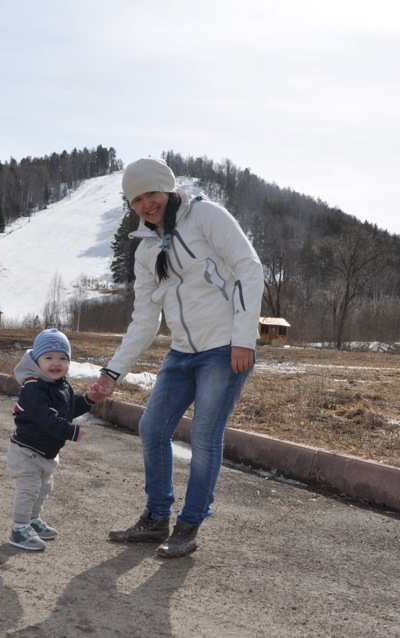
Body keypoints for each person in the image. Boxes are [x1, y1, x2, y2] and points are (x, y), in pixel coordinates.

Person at [93, 157, 263, 558]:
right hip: (182, 352)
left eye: (151, 194)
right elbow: (144, 320)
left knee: (204, 435)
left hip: (224, 348)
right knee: (153, 428)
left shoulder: (205, 216)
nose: (146, 205)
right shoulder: (145, 249)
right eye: (136, 200)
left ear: (167, 189)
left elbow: (248, 268)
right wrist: (112, 373)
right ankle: (156, 517)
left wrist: (243, 338)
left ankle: (190, 523)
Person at [7, 327, 100, 551]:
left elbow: (68, 407)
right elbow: (46, 418)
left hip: (46, 453)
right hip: (26, 452)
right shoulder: (32, 387)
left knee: (43, 489)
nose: (56, 363)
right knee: (29, 490)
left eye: (62, 358)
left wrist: (87, 399)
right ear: (36, 361)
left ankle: (33, 520)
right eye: (48, 358)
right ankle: (19, 529)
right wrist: (70, 431)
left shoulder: (61, 384)